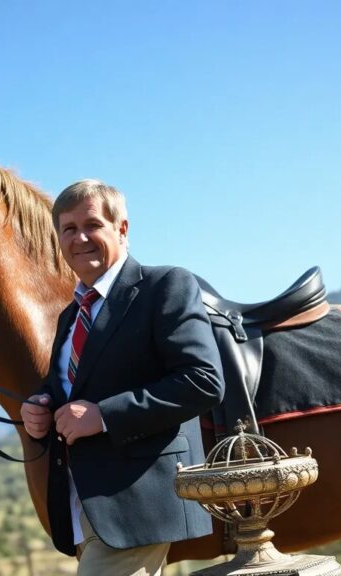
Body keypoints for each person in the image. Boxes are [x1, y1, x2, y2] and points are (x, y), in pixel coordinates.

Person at [21, 179, 224, 575]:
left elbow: (203, 381)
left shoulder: (165, 285)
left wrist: (104, 415)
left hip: (140, 503)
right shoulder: (70, 315)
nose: (80, 237)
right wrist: (41, 408)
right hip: (84, 508)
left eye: (92, 224)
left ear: (122, 229)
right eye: (68, 229)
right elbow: (70, 388)